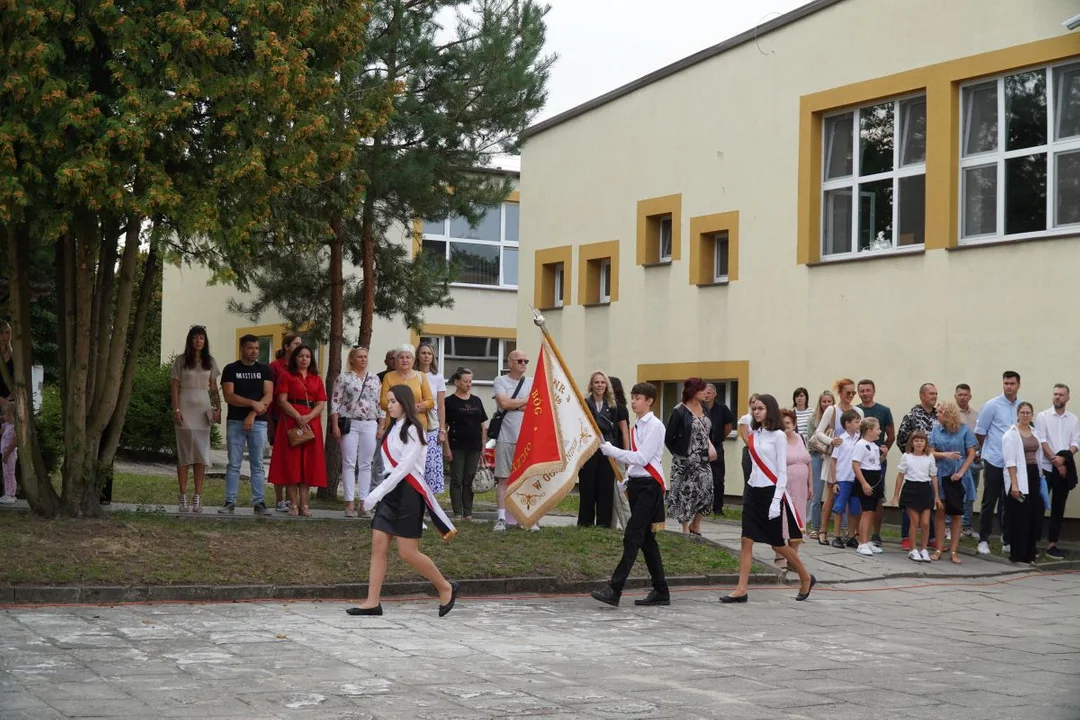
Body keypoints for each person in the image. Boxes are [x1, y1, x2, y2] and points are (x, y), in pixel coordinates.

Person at [347, 384, 458, 617]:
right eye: (387, 401)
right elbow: (389, 469)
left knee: (408, 553)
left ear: (405, 402)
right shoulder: (393, 427)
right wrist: (381, 492)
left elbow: (405, 468)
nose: (389, 405)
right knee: (378, 545)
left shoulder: (414, 430)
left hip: (408, 492)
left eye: (394, 401)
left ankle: (445, 587)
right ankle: (372, 602)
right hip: (391, 490)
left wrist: (376, 493)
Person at [721, 394, 815, 603]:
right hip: (754, 491)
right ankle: (741, 589)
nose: (756, 412)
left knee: (778, 545)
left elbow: (781, 472)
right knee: (746, 540)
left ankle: (805, 576)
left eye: (761, 408)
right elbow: (744, 423)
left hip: (771, 492)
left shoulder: (778, 436)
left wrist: (775, 501)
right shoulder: (756, 433)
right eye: (755, 409)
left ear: (770, 410)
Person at [590, 382, 670, 607]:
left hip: (650, 488)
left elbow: (643, 458)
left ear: (649, 401)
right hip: (637, 485)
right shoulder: (637, 427)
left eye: (638, 398)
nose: (633, 401)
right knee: (646, 541)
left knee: (632, 535)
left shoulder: (655, 426)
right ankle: (661, 590)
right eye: (632, 397)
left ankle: (615, 589)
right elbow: (638, 460)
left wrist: (612, 451)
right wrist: (627, 479)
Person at [268, 345, 328, 516]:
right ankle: (293, 503)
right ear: (295, 357)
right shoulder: (287, 375)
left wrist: (308, 417)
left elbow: (321, 403)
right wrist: (298, 416)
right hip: (291, 421)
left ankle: (305, 504)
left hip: (311, 422)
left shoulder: (316, 378)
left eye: (308, 356)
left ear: (311, 359)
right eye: (301, 356)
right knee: (292, 464)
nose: (304, 359)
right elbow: (281, 400)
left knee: (307, 464)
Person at [219, 334, 274, 515]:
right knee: (234, 463)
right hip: (235, 422)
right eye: (251, 348)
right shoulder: (231, 369)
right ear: (242, 348)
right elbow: (229, 396)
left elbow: (268, 396)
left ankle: (259, 503)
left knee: (257, 464)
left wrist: (252, 413)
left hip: (258, 423)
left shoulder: (264, 370)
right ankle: (229, 502)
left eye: (257, 348)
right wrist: (252, 403)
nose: (254, 352)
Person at [171, 325, 221, 513]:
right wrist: (176, 409)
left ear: (205, 340)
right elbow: (175, 386)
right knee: (184, 454)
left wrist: (219, 407)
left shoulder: (210, 361)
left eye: (201, 338)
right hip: (185, 406)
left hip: (203, 409)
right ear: (190, 340)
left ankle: (198, 496)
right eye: (195, 337)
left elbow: (214, 387)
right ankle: (183, 495)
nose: (198, 341)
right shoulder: (181, 361)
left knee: (201, 453)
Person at [330, 346, 383, 518]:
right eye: (359, 356)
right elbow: (335, 402)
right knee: (349, 463)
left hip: (369, 423)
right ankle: (349, 502)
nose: (363, 359)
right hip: (350, 423)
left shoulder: (375, 379)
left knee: (366, 464)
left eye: (365, 356)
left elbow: (380, 404)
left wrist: (381, 425)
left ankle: (364, 503)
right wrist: (335, 424)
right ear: (352, 359)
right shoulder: (344, 378)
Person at [975, 371, 1023, 555]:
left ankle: (1007, 538)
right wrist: (985, 451)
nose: (1008, 386)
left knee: (1010, 500)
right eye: (1006, 383)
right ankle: (984, 539)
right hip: (995, 459)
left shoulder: (1021, 406)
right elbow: (980, 432)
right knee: (990, 500)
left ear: (1018, 384)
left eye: (1012, 383)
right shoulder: (992, 405)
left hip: (1013, 463)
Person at [811, 379, 862, 546]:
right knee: (831, 496)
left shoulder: (858, 411)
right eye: (848, 392)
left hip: (851, 460)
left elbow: (862, 433)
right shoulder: (832, 410)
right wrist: (832, 441)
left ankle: (850, 534)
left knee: (851, 497)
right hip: (834, 458)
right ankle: (823, 530)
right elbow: (818, 432)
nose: (851, 395)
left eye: (853, 392)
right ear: (840, 392)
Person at [1034, 384, 1079, 559]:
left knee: (1059, 507)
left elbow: (1076, 442)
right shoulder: (1043, 417)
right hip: (1046, 468)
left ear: (1068, 397)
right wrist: (1055, 460)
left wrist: (1064, 459)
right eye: (1055, 394)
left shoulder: (1073, 419)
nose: (1057, 397)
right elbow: (1041, 440)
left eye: (1061, 395)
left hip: (1064, 470)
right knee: (1039, 506)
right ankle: (1034, 543)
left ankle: (1052, 543)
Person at [665, 378, 714, 536]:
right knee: (685, 494)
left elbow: (707, 431)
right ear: (693, 391)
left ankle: (696, 524)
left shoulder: (705, 409)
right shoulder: (679, 411)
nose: (705, 393)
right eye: (702, 390)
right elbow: (669, 438)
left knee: (707, 492)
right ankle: (685, 529)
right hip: (684, 460)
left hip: (703, 460)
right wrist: (679, 455)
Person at [929, 400, 977, 564]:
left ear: (948, 414)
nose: (937, 415)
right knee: (941, 513)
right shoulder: (936, 430)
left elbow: (971, 453)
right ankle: (938, 549)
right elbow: (930, 452)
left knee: (957, 514)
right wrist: (945, 455)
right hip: (941, 475)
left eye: (940, 412)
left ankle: (954, 551)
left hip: (959, 476)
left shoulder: (964, 431)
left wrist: (962, 472)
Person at [492, 349, 534, 531]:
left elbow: (535, 406)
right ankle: (501, 517)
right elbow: (504, 403)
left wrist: (515, 404)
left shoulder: (532, 382)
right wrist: (524, 402)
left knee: (526, 478)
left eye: (526, 360)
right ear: (510, 363)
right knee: (504, 477)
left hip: (527, 437)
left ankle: (526, 516)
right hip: (505, 436)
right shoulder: (500, 381)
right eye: (519, 361)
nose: (523, 363)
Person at [896, 383, 939, 550]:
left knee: (928, 501)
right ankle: (906, 536)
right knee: (910, 504)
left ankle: (931, 537)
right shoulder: (912, 415)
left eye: (936, 393)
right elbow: (901, 438)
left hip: (932, 462)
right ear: (922, 396)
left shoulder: (938, 415)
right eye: (931, 394)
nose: (934, 397)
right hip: (914, 463)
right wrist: (912, 456)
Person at [1003, 402, 1046, 564]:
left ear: (1032, 415)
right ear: (1018, 414)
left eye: (1028, 412)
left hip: (1034, 475)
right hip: (1020, 476)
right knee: (1020, 516)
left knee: (1034, 514)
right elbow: (1010, 462)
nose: (1026, 415)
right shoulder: (1011, 434)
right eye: (1023, 412)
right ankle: (1017, 554)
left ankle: (1030, 553)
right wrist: (1014, 484)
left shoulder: (1034, 432)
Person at [444, 366, 487, 521]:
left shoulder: (477, 400)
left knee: (469, 479)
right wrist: (446, 448)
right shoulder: (449, 402)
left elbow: (483, 425)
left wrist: (483, 446)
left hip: (474, 446)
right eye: (465, 381)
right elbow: (444, 426)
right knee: (456, 479)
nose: (469, 384)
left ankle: (468, 513)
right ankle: (457, 513)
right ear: (457, 382)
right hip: (456, 445)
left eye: (470, 381)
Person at [579, 371, 620, 527]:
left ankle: (603, 525)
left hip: (606, 451)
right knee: (587, 487)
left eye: (602, 382)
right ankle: (584, 523)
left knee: (605, 489)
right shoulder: (584, 403)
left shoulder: (612, 406)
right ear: (591, 385)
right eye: (596, 382)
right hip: (588, 450)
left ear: (607, 385)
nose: (600, 385)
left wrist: (615, 452)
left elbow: (615, 431)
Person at [856, 379, 895, 547]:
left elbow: (891, 434)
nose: (865, 393)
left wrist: (883, 452)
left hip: (877, 461)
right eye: (862, 390)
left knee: (877, 499)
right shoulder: (856, 410)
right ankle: (860, 536)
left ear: (873, 391)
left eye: (868, 390)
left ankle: (875, 534)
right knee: (863, 500)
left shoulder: (883, 410)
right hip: (862, 464)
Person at [891, 430, 938, 562]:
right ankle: (913, 549)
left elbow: (933, 476)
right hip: (910, 489)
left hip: (925, 490)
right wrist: (896, 495)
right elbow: (900, 475)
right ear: (912, 442)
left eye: (921, 441)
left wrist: (937, 496)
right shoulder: (907, 456)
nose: (919, 443)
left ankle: (923, 549)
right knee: (915, 521)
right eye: (916, 440)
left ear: (925, 443)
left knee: (925, 522)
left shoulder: (930, 457)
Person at [268, 332, 302, 512]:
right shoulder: (275, 366)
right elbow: (270, 394)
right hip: (278, 416)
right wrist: (269, 421)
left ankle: (292, 499)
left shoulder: (300, 367)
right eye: (296, 344)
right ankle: (279, 499)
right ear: (287, 346)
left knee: (294, 460)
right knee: (280, 459)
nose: (300, 347)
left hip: (297, 418)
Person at [779, 409, 812, 566]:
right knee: (785, 520)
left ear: (794, 424)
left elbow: (809, 462)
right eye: (783, 423)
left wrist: (810, 485)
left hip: (801, 487)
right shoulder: (778, 441)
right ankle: (781, 556)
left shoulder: (801, 438)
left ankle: (794, 559)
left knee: (799, 520)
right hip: (786, 487)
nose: (787, 426)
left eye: (789, 423)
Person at [828, 409, 863, 549]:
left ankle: (851, 535)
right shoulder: (840, 440)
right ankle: (836, 535)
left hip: (855, 479)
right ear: (847, 424)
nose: (859, 424)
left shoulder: (860, 439)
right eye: (856, 421)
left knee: (854, 509)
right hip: (842, 478)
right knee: (839, 508)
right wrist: (834, 481)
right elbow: (833, 461)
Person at [416, 342, 446, 495]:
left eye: (429, 353)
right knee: (415, 463)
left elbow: (441, 406)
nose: (426, 356)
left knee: (431, 465)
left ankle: (430, 501)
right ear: (418, 356)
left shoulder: (437, 377)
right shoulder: (412, 375)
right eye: (423, 353)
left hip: (432, 425)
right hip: (414, 424)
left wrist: (442, 430)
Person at [806, 390, 835, 539]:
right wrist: (824, 447)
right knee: (817, 493)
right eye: (824, 401)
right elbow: (811, 441)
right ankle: (815, 527)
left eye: (829, 401)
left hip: (833, 457)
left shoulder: (836, 417)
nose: (826, 404)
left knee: (836, 491)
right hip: (817, 456)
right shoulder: (813, 419)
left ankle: (841, 528)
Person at [955, 383, 982, 536]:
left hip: (975, 459)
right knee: (956, 493)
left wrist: (978, 452)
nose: (963, 397)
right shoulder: (952, 414)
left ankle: (967, 526)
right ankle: (951, 526)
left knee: (971, 493)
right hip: (959, 459)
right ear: (955, 396)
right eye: (960, 395)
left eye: (965, 395)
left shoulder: (976, 415)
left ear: (970, 396)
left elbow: (980, 435)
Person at [370, 348, 399, 488]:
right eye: (391, 358)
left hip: (398, 423)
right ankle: (374, 489)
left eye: (396, 358)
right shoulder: (378, 378)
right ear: (386, 361)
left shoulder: (402, 377)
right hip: (381, 423)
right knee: (378, 459)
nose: (394, 361)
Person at [704, 383, 735, 516]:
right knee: (702, 479)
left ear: (715, 394)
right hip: (701, 448)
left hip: (716, 447)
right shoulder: (698, 408)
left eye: (709, 392)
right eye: (704, 392)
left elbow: (728, 427)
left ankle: (718, 508)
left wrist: (720, 438)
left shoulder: (722, 409)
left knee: (718, 479)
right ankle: (702, 507)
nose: (706, 395)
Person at [608, 376, 632, 530]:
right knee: (611, 493)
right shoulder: (608, 406)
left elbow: (625, 432)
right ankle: (611, 524)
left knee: (620, 492)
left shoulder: (619, 408)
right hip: (610, 454)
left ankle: (629, 525)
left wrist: (627, 455)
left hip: (618, 456)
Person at [0, 401, 16, 504]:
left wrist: (6, 454)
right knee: (6, 474)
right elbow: (1, 428)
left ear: (11, 415)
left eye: (5, 414)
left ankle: (11, 495)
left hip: (9, 454)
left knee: (10, 474)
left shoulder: (14, 427)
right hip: (5, 454)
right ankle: (7, 493)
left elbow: (14, 442)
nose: (3, 416)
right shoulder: (7, 425)